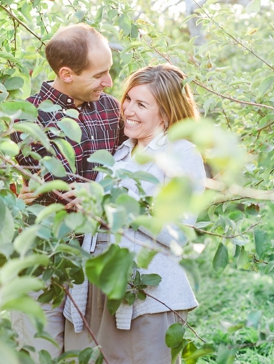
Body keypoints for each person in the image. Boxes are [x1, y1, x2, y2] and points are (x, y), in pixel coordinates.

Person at [63, 64, 207, 363]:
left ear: (165, 113)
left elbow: (180, 233)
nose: (128, 109)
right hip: (101, 289)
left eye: (141, 104)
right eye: (128, 99)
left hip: (148, 296)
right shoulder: (121, 152)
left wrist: (112, 203)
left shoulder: (181, 153)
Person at [11, 24, 123, 362]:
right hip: (42, 259)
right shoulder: (26, 121)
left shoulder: (112, 110)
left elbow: (131, 173)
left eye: (110, 71)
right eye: (100, 74)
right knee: (38, 351)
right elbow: (17, 191)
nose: (109, 82)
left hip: (95, 261)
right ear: (66, 74)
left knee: (86, 355)